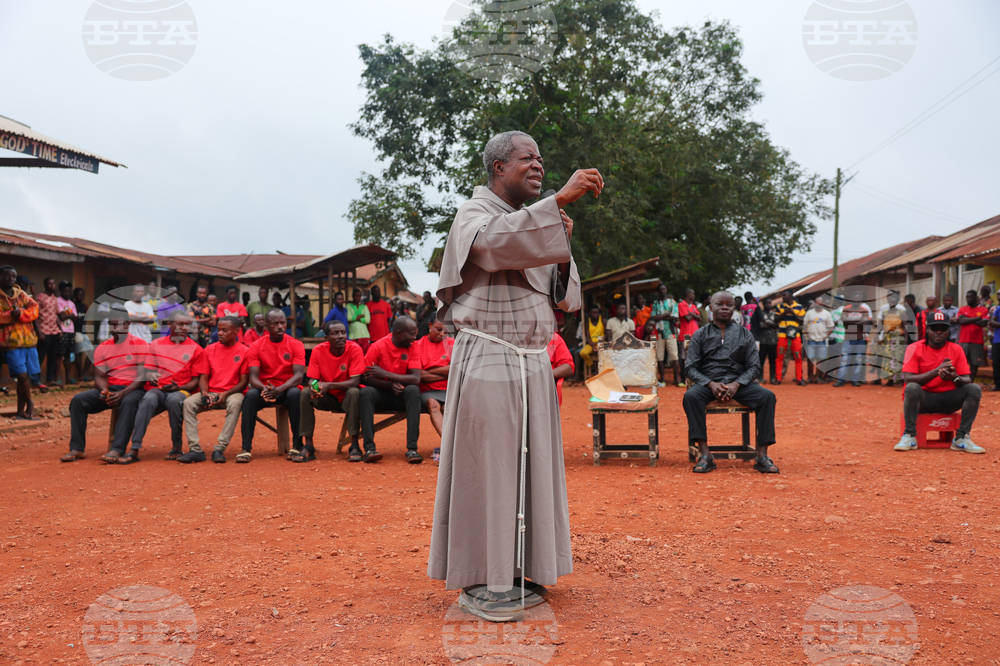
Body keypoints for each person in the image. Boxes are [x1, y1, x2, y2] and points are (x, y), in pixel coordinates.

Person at [429, 130, 594, 622]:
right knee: (492, 471)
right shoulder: (473, 215)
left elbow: (566, 298)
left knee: (530, 468)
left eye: (541, 159)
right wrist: (556, 203)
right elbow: (496, 248)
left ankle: (523, 568)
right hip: (490, 358)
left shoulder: (538, 223)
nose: (539, 166)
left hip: (532, 360)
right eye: (528, 159)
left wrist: (560, 243)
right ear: (499, 167)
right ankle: (484, 575)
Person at [682, 292, 778, 474]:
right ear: (711, 307)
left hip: (739, 385)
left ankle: (762, 456)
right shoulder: (700, 334)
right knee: (690, 397)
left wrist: (737, 384)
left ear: (735, 308)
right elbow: (690, 368)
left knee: (767, 397)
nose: (725, 307)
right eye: (720, 304)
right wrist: (710, 383)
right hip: (709, 384)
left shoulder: (745, 334)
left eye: (729, 304)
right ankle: (705, 455)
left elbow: (754, 367)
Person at [61, 305, 148, 462]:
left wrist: (122, 393)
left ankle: (117, 450)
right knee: (78, 401)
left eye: (120, 324)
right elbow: (100, 376)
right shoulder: (103, 348)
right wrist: (104, 391)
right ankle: (77, 448)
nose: (116, 328)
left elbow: (142, 377)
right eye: (113, 324)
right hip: (112, 389)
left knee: (128, 402)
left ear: (128, 324)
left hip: (134, 389)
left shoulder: (140, 345)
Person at [895, 311, 984, 453]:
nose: (939, 332)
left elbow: (967, 380)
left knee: (974, 389)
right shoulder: (914, 348)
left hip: (948, 399)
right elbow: (908, 378)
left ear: (948, 331)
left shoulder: (956, 349)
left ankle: (961, 438)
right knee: (911, 387)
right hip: (923, 400)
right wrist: (937, 371)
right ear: (927, 329)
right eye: (934, 328)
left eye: (943, 329)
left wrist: (954, 377)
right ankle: (909, 436)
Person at [124, 312, 206, 464]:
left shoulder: (196, 349)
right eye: (180, 324)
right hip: (160, 389)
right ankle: (134, 448)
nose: (184, 328)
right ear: (170, 325)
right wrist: (152, 377)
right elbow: (148, 371)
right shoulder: (156, 344)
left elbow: (195, 382)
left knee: (175, 401)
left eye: (187, 325)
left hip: (181, 389)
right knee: (148, 399)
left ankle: (176, 446)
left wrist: (179, 386)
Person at [238, 309, 306, 463]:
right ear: (267, 326)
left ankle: (297, 445)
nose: (280, 326)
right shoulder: (256, 346)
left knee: (296, 395)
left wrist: (279, 390)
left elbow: (298, 376)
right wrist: (265, 389)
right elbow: (253, 377)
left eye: (283, 323)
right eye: (275, 324)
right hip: (265, 390)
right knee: (250, 396)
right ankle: (246, 448)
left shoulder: (295, 344)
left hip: (286, 389)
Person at [179, 317, 249, 463]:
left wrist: (225, 394)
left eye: (225, 330)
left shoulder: (244, 351)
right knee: (189, 403)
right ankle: (195, 450)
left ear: (236, 331)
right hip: (211, 392)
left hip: (232, 393)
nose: (220, 333)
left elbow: (243, 383)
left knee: (236, 403)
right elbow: (204, 377)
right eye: (219, 329)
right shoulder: (209, 349)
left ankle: (219, 448)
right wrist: (204, 393)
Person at [298, 320, 364, 462]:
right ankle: (308, 445)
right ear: (326, 338)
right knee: (305, 393)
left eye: (343, 332)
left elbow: (355, 381)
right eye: (335, 333)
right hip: (326, 397)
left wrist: (329, 385)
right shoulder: (318, 350)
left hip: (346, 397)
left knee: (354, 392)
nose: (341, 336)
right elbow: (311, 379)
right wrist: (316, 388)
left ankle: (354, 445)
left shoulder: (354, 349)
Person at [358, 316, 422, 463]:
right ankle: (369, 449)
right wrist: (389, 384)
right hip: (382, 393)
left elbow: (416, 378)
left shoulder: (413, 346)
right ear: (399, 333)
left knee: (413, 390)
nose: (415, 337)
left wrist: (386, 374)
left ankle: (412, 449)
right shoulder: (378, 347)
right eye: (411, 333)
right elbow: (363, 377)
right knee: (366, 393)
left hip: (402, 394)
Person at [0, 266, 41, 419]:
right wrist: (12, 314)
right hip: (11, 343)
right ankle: (30, 404)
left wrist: (21, 313)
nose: (11, 279)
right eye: (8, 276)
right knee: (22, 376)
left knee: (24, 378)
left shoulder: (21, 295)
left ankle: (20, 412)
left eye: (14, 276)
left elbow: (35, 309)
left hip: (29, 341)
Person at [834, 289, 873, 387]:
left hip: (860, 339)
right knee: (845, 359)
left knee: (858, 360)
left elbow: (865, 322)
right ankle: (841, 379)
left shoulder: (864, 310)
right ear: (851, 300)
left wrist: (851, 320)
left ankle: (855, 379)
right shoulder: (846, 308)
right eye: (855, 299)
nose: (856, 301)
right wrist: (858, 320)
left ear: (860, 300)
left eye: (858, 299)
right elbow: (844, 320)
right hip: (848, 338)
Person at [875, 290, 910, 386]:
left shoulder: (901, 312)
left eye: (894, 299)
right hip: (887, 339)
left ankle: (897, 380)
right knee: (887, 360)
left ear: (898, 300)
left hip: (898, 339)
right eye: (890, 299)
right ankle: (889, 380)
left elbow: (906, 327)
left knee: (897, 359)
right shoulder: (885, 312)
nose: (892, 301)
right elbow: (880, 325)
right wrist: (877, 336)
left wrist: (906, 340)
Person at [649, 284, 681, 388]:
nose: (662, 291)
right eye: (660, 289)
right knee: (660, 357)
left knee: (674, 356)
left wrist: (661, 317)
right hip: (659, 333)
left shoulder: (672, 302)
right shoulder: (655, 303)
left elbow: (675, 317)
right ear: (658, 291)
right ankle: (662, 379)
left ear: (666, 290)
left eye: (664, 289)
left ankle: (677, 379)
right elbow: (653, 317)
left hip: (671, 332)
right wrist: (667, 315)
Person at [774, 290, 806, 386]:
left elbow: (802, 321)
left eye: (784, 295)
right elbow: (776, 319)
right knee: (780, 357)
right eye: (782, 295)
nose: (783, 297)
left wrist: (793, 313)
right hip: (782, 335)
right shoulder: (780, 306)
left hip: (795, 335)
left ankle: (799, 379)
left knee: (798, 357)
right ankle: (778, 378)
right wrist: (784, 313)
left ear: (791, 295)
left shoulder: (799, 307)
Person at [956, 289, 989, 381]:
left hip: (977, 341)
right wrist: (977, 318)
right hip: (963, 341)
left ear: (976, 298)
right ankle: (962, 382)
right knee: (962, 363)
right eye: (967, 297)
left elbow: (983, 323)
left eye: (970, 297)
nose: (968, 299)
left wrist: (968, 319)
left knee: (975, 364)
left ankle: (970, 382)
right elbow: (961, 321)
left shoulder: (983, 309)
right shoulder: (962, 309)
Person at [36, 277, 62, 385]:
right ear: (45, 285)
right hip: (44, 331)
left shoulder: (55, 299)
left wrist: (60, 329)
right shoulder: (40, 297)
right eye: (50, 284)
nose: (52, 286)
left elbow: (56, 315)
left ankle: (50, 380)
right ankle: (35, 380)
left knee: (52, 356)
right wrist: (39, 332)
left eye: (53, 283)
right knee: (40, 357)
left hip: (54, 331)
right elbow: (35, 316)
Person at [803, 296, 834, 383]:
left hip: (822, 340)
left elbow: (831, 326)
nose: (818, 304)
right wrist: (807, 334)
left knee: (821, 360)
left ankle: (818, 377)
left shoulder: (826, 314)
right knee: (810, 359)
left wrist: (826, 335)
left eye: (820, 302)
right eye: (816, 302)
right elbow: (805, 325)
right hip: (811, 340)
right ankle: (810, 377)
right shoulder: (809, 313)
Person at [55, 281, 78, 385]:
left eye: (69, 291)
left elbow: (76, 317)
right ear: (61, 291)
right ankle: (56, 378)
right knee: (59, 355)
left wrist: (68, 315)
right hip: (62, 331)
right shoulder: (57, 301)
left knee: (68, 355)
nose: (67, 293)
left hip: (71, 331)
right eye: (65, 291)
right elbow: (61, 316)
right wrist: (71, 315)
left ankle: (68, 378)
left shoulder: (72, 303)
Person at [677, 289, 702, 382]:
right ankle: (683, 378)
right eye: (693, 293)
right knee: (684, 357)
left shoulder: (694, 306)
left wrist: (691, 313)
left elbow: (700, 319)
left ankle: (693, 377)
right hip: (685, 335)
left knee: (695, 356)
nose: (694, 295)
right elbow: (687, 318)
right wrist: (694, 314)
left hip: (695, 335)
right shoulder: (681, 304)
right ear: (688, 294)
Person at [547, 330, 575, 407]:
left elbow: (568, 367)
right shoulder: (512, 340)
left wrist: (543, 375)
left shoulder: (553, 338)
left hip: (543, 388)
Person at [72, 286, 94, 381]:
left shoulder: (84, 306)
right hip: (76, 332)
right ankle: (80, 375)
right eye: (79, 294)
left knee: (91, 352)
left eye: (82, 294)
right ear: (75, 295)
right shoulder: (73, 305)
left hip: (84, 332)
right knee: (79, 353)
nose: (81, 296)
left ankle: (84, 372)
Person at [757, 298, 779, 384]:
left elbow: (777, 325)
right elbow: (761, 326)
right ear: (763, 304)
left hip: (773, 341)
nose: (768, 305)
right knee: (761, 360)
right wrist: (772, 325)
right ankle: (761, 377)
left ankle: (772, 378)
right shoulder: (760, 314)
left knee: (772, 360)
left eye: (769, 303)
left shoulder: (774, 314)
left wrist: (767, 323)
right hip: (763, 340)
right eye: (767, 303)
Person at [579, 304, 604, 372]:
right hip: (591, 344)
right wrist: (593, 345)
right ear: (590, 313)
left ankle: (603, 368)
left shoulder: (603, 320)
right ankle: (592, 366)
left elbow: (606, 335)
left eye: (597, 313)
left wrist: (598, 344)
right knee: (583, 353)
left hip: (602, 343)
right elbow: (588, 337)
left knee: (604, 353)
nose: (595, 314)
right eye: (593, 313)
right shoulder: (587, 323)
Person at [347, 288, 372, 353]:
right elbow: (348, 318)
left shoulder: (364, 307)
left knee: (364, 354)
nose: (358, 298)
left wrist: (354, 318)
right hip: (353, 335)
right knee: (354, 353)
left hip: (364, 335)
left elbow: (368, 320)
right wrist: (360, 316)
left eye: (359, 296)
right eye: (356, 296)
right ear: (352, 296)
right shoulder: (348, 306)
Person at [989, 298, 1000, 392]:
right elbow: (992, 322)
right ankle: (997, 385)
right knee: (996, 363)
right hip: (997, 339)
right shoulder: (998, 309)